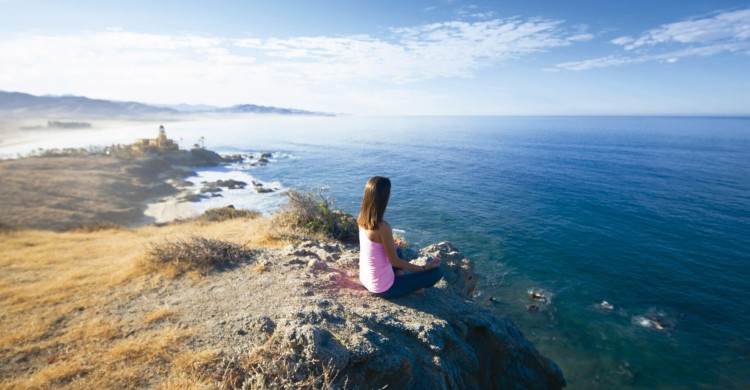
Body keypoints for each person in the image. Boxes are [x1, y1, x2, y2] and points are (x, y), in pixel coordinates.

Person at [357, 176, 443, 299]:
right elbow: (394, 261)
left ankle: (403, 280)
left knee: (398, 251)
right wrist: (423, 268)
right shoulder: (383, 226)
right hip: (383, 288)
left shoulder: (361, 218)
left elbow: (372, 247)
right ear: (384, 197)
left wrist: (391, 245)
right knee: (437, 272)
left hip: (366, 278)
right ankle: (408, 287)